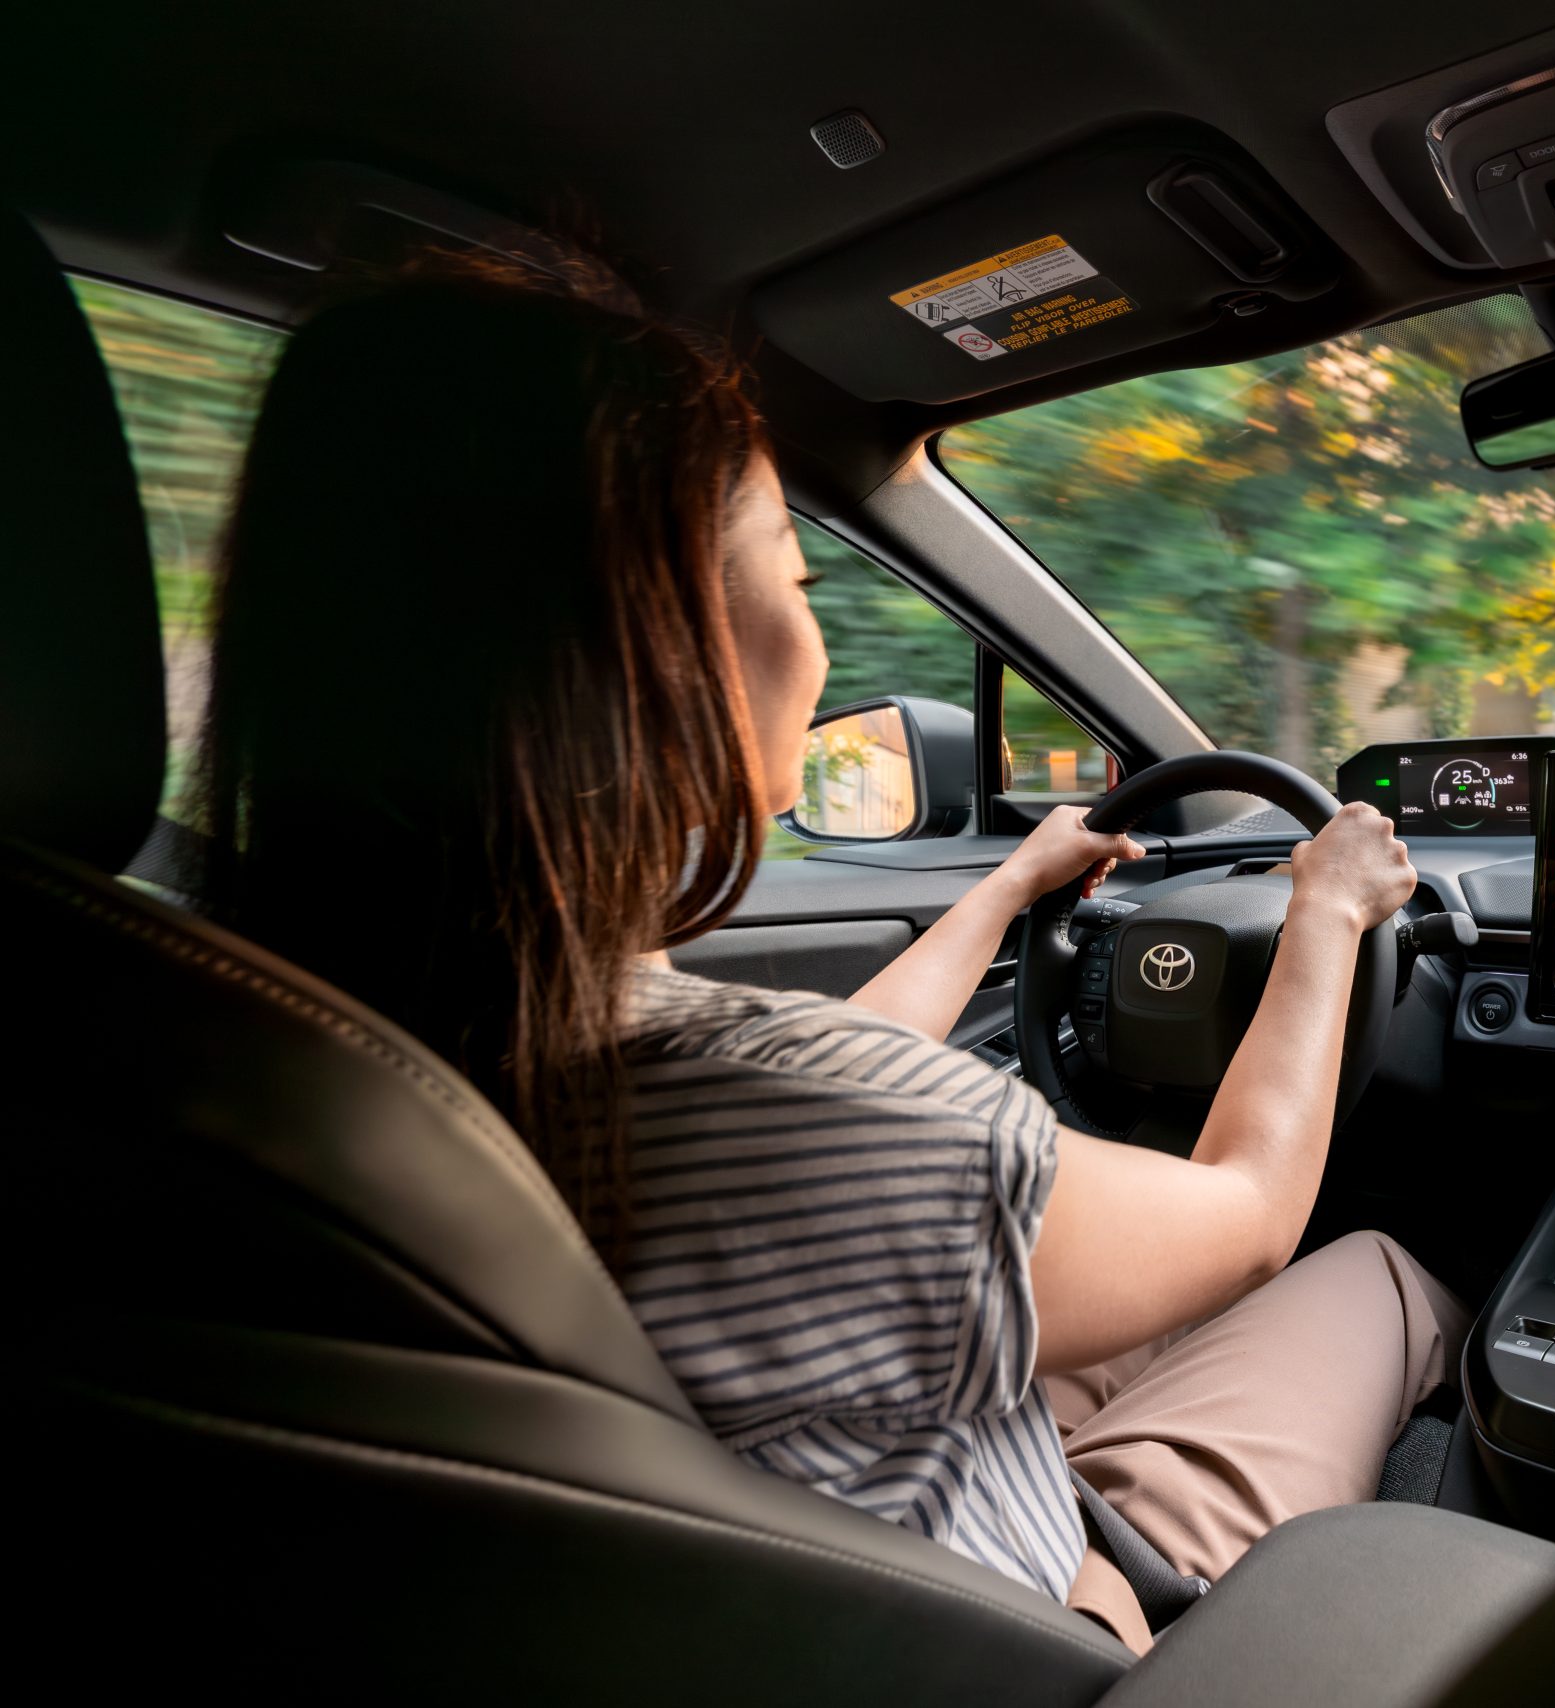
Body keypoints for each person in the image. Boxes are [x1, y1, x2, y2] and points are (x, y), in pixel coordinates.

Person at [192, 253, 1468, 1652]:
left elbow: (842, 1087)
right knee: (1376, 1271)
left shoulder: (268, 1043)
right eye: (794, 569)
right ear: (663, 639)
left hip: (752, 1580)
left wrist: (1004, 892)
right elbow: (1242, 1218)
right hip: (1039, 1638)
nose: (809, 627)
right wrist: (1333, 911)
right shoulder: (795, 1119)